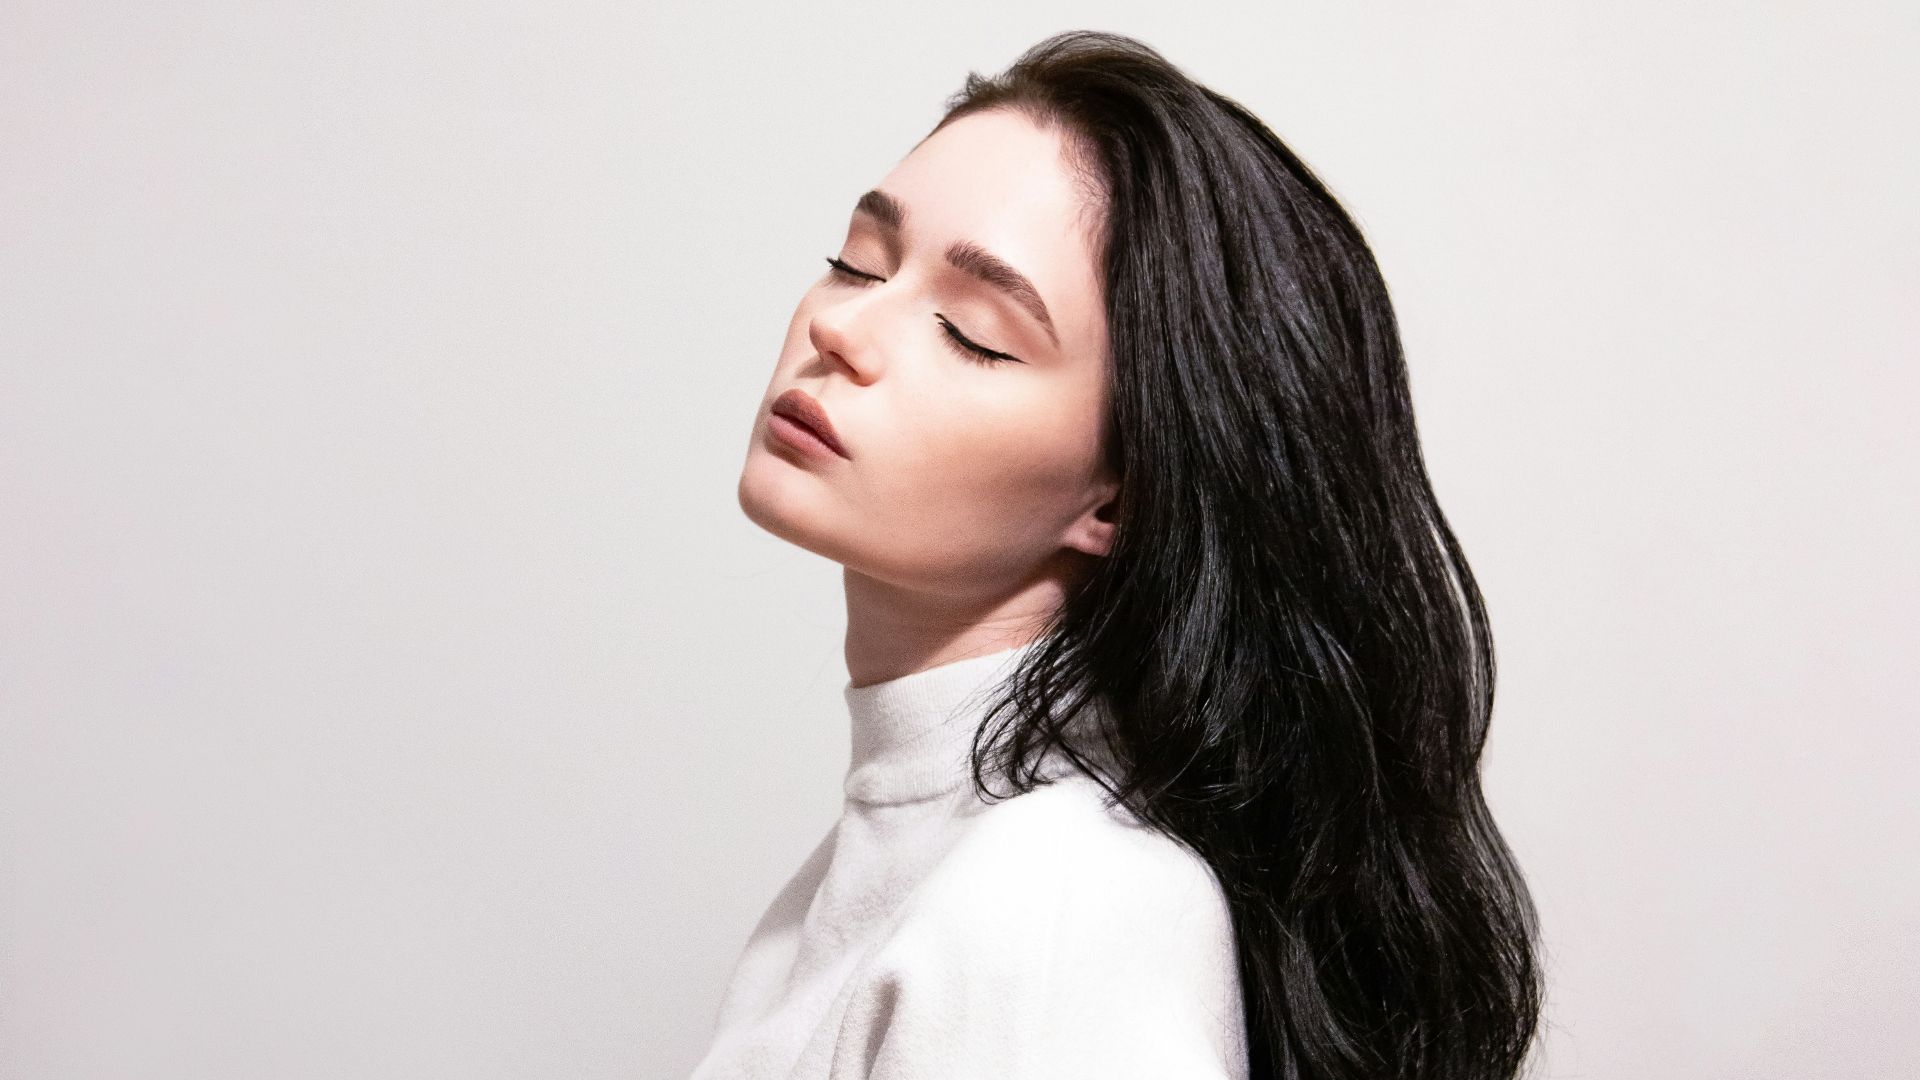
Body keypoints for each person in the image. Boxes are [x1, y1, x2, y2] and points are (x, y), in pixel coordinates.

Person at [695, 29, 1542, 1080]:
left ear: (1122, 494)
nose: (848, 330)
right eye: (856, 263)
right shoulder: (904, 866)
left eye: (971, 332)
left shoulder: (1061, 908)